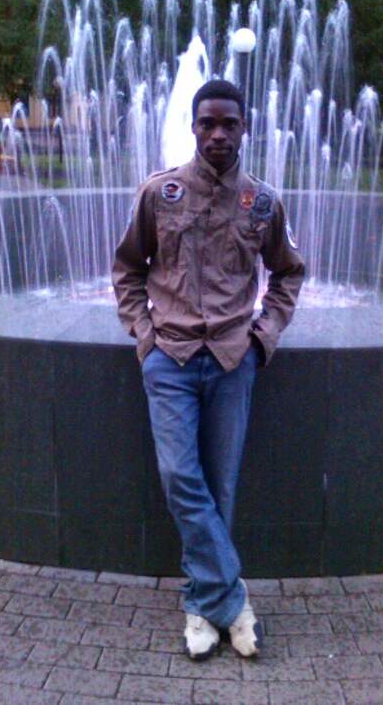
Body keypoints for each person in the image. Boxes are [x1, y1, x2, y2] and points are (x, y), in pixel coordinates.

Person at [113, 80, 304, 660]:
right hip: (169, 358)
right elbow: (127, 269)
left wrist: (263, 337)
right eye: (207, 123)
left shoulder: (262, 203)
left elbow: (288, 274)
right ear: (194, 127)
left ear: (244, 128)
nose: (218, 134)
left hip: (230, 360)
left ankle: (201, 605)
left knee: (220, 487)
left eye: (229, 124)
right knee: (180, 477)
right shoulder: (161, 193)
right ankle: (232, 601)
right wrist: (144, 335)